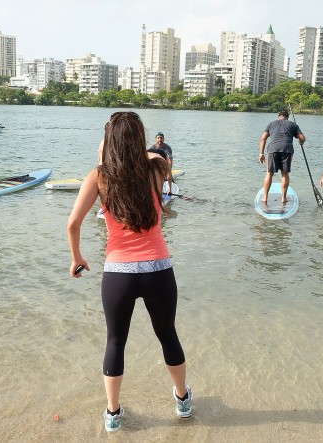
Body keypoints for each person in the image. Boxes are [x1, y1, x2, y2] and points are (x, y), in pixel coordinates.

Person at [67, 112, 192, 433]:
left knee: (115, 342)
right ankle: (182, 400)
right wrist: (134, 148)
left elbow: (73, 224)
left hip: (118, 272)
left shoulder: (99, 176)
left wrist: (77, 257)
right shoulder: (156, 169)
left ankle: (113, 413)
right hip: (159, 270)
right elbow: (157, 154)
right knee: (168, 335)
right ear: (140, 139)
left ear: (108, 142)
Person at [259, 110, 306, 204]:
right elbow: (302, 138)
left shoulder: (271, 124)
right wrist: (301, 142)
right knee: (285, 174)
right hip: (287, 150)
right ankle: (283, 198)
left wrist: (261, 153)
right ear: (287, 117)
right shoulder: (293, 125)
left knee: (269, 173)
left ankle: (265, 197)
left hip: (273, 149)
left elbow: (263, 138)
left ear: (279, 116)